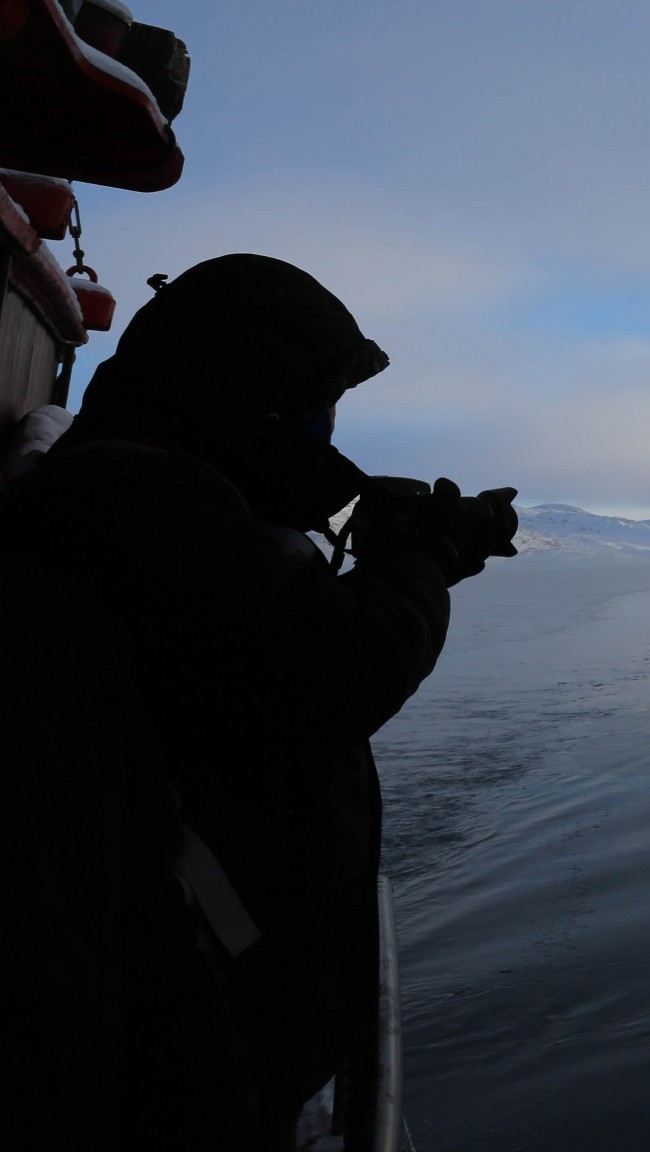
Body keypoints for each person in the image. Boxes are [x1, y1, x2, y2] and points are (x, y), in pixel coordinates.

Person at [0, 253, 517, 1149]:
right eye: (316, 403)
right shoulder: (141, 505)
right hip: (187, 1035)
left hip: (204, 1002)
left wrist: (416, 549)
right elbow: (337, 670)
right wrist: (422, 559)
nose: (323, 429)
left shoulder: (154, 491)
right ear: (243, 392)